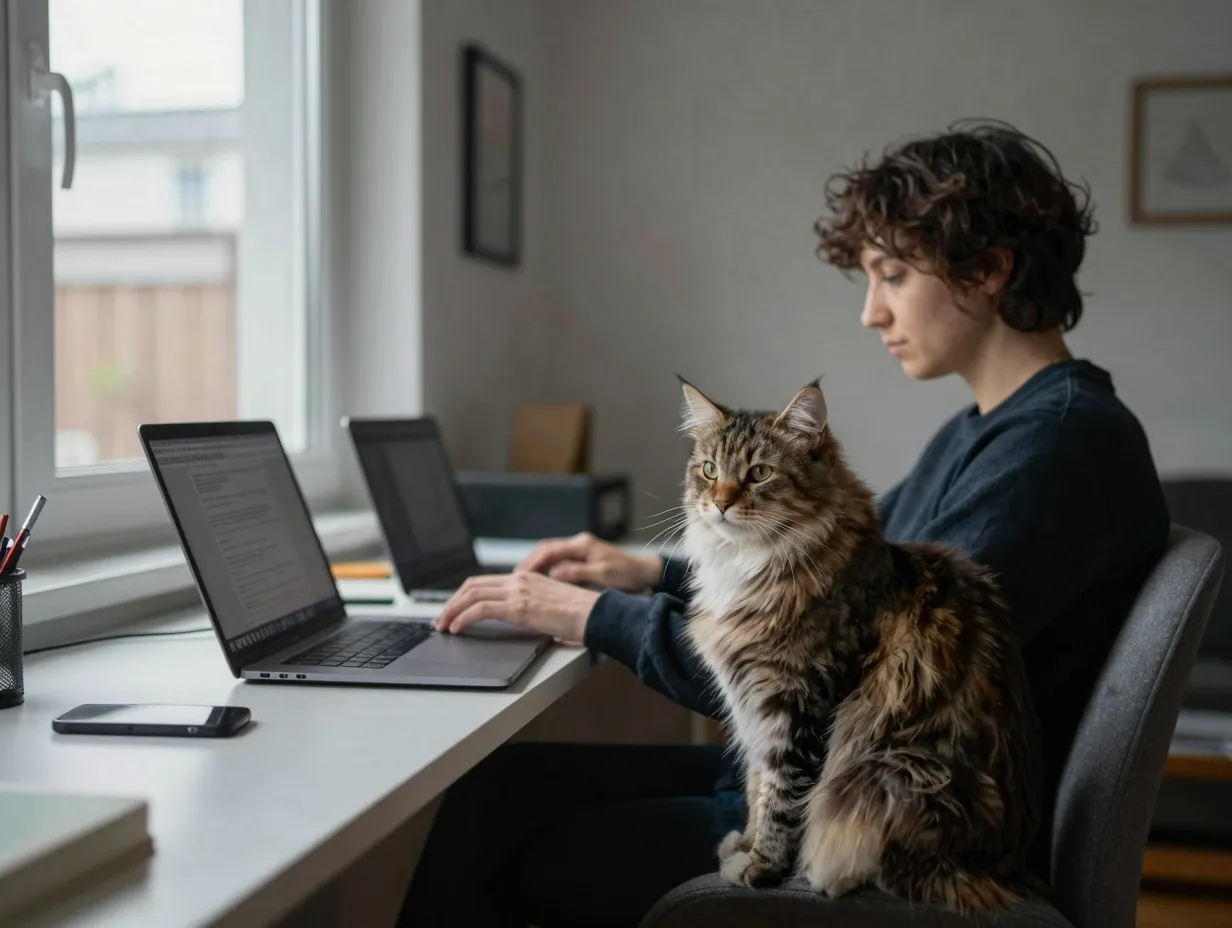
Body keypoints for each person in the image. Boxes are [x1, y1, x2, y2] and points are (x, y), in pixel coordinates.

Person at [395, 119, 1170, 928]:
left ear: (989, 269)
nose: (871, 312)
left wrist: (593, 617)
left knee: (507, 844)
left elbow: (802, 662)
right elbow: (836, 583)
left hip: (888, 833)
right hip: (807, 777)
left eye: (893, 274)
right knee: (496, 786)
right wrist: (648, 571)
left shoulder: (1058, 448)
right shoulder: (995, 427)